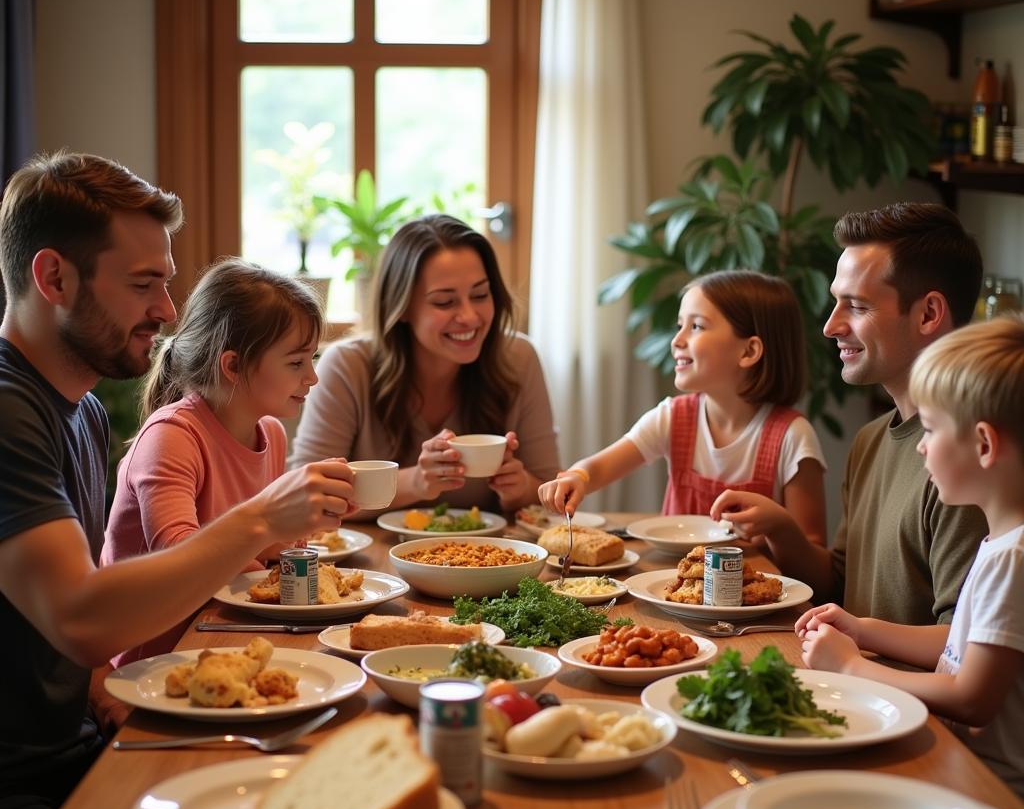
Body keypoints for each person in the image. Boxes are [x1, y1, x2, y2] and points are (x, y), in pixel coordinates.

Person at [0, 152, 355, 809]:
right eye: (144, 284)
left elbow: (77, 612)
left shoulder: (84, 414)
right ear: (53, 278)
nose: (166, 309)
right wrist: (261, 521)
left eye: (164, 281)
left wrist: (101, 685)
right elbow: (82, 616)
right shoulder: (7, 412)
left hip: (82, 740)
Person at [709, 203, 988, 625]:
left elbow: (960, 646)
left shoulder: (969, 457)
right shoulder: (870, 440)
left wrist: (856, 643)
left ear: (929, 314)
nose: (830, 326)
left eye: (856, 306)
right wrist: (782, 529)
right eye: (836, 303)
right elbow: (840, 584)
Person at [799, 313, 1024, 795]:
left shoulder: (1014, 558)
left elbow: (971, 697)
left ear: (984, 444)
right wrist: (864, 630)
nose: (920, 448)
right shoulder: (1001, 541)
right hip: (962, 763)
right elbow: (961, 647)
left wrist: (853, 668)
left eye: (932, 429)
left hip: (990, 786)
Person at [102, 258, 323, 667]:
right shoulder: (172, 437)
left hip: (225, 635)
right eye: (296, 362)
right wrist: (268, 537)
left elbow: (264, 547)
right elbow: (178, 556)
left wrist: (297, 530)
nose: (312, 377)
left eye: (311, 359)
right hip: (158, 658)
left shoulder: (269, 432)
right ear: (233, 365)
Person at [291, 214, 560, 515]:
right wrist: (416, 482)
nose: (470, 316)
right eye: (445, 302)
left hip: (485, 558)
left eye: (481, 295)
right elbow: (307, 496)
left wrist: (519, 487)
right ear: (402, 306)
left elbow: (550, 491)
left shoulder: (518, 357)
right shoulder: (347, 366)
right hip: (366, 559)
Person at [538, 270, 827, 544]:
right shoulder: (673, 417)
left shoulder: (793, 436)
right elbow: (599, 467)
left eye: (697, 326)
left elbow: (813, 555)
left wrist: (780, 531)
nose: (677, 340)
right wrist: (578, 476)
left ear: (748, 351)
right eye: (680, 326)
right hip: (675, 587)